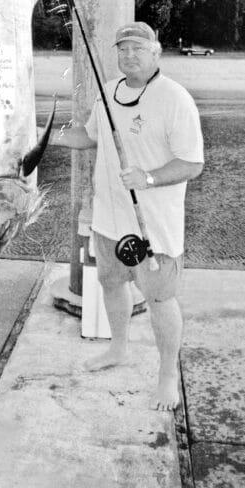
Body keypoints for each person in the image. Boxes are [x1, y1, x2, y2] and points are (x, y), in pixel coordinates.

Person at [49, 22, 204, 411]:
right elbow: (88, 136)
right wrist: (43, 134)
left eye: (138, 48)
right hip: (109, 218)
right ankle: (118, 348)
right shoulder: (108, 96)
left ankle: (167, 375)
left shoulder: (175, 99)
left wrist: (148, 178)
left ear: (157, 52)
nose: (129, 55)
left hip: (155, 225)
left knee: (160, 298)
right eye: (122, 49)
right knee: (111, 284)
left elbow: (192, 163)